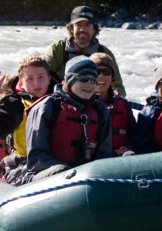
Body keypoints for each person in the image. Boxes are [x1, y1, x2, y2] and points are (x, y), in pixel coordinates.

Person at [6, 56, 113, 185]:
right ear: (69, 80)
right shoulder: (47, 107)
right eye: (84, 79)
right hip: (40, 173)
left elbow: (105, 154)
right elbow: (37, 159)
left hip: (84, 174)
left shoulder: (101, 110)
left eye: (93, 80)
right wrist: (72, 172)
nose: (89, 85)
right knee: (61, 171)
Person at [0, 55, 55, 177]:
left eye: (41, 77)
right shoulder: (14, 106)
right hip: (25, 168)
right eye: (30, 79)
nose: (36, 83)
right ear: (21, 82)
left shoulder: (63, 101)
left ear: (49, 79)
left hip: (55, 163)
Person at [43, 5, 126, 97]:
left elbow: (117, 86)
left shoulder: (104, 53)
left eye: (87, 25)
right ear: (71, 28)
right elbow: (42, 80)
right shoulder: (57, 49)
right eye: (78, 25)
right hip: (63, 102)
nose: (83, 29)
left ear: (94, 29)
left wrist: (115, 101)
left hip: (95, 104)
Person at [89, 52, 137, 156]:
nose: (101, 76)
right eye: (96, 71)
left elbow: (135, 134)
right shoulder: (83, 104)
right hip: (94, 160)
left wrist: (128, 146)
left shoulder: (123, 103)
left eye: (106, 71)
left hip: (120, 157)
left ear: (112, 76)